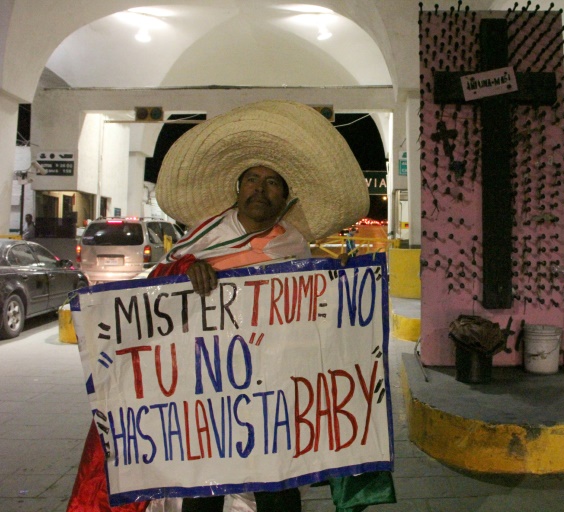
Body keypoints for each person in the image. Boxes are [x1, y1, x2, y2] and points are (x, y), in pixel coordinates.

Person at [67, 101, 394, 512]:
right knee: (204, 494)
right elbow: (154, 295)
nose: (261, 187)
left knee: (279, 493)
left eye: (273, 182)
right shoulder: (204, 239)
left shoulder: (293, 246)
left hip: (274, 402)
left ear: (286, 197)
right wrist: (187, 270)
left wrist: (343, 283)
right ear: (238, 190)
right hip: (206, 403)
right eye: (252, 179)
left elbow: (317, 314)